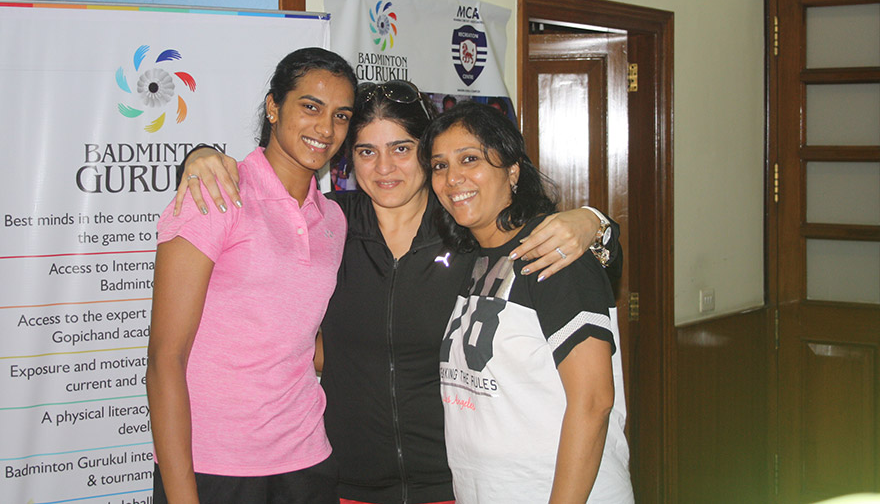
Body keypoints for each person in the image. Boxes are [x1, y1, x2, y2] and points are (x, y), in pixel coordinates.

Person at [175, 79, 621, 504]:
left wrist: (597, 224)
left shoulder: (465, 233)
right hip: (346, 480)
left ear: (425, 155)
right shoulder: (325, 225)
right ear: (349, 158)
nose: (384, 168)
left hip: (452, 483)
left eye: (402, 149)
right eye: (367, 151)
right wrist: (197, 157)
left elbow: (570, 276)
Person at [146, 47, 356, 504]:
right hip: (215, 468)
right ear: (273, 107)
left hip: (307, 462)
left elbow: (299, 340)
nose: (326, 129)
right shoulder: (214, 194)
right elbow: (165, 359)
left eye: (341, 115)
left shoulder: (334, 220)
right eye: (311, 107)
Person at [420, 101, 633, 504]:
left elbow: (594, 401)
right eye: (440, 165)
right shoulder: (471, 260)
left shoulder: (553, 253)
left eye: (470, 159)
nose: (452, 178)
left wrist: (594, 221)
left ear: (513, 170)